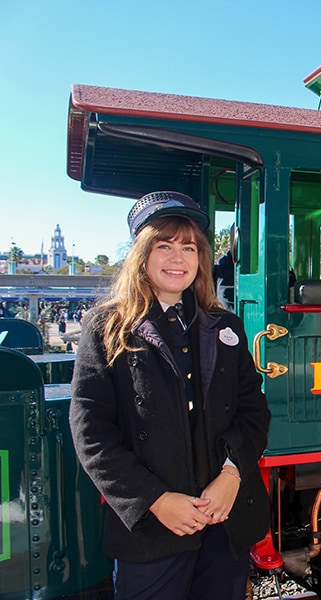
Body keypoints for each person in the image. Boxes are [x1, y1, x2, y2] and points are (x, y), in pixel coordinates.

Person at [69, 191, 270, 600]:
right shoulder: (106, 327)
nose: (178, 258)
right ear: (142, 255)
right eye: (164, 246)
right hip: (152, 531)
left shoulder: (224, 325)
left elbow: (254, 411)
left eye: (189, 248)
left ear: (200, 259)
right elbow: (91, 432)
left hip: (224, 519)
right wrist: (156, 501)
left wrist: (231, 476)